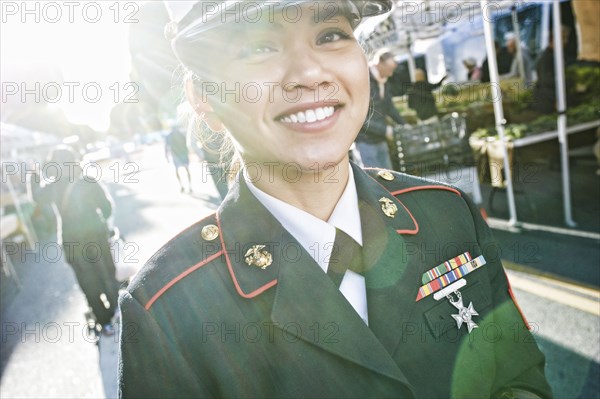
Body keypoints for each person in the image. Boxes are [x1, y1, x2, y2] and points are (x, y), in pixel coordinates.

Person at [118, 1, 552, 398]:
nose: (309, 73)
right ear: (202, 97)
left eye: (329, 36)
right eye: (257, 48)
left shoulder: (446, 213)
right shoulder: (168, 309)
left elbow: (519, 378)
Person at [28, 146, 120, 335]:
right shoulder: (88, 180)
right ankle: (117, 311)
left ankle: (104, 322)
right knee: (107, 274)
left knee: (88, 283)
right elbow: (107, 208)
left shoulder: (52, 186)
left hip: (71, 243)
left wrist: (33, 175)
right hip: (97, 237)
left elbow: (36, 198)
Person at [355, 51, 405, 169]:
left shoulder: (383, 82)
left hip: (380, 138)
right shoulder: (363, 80)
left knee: (388, 176)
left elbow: (388, 107)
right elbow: (358, 117)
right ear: (380, 63)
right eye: (389, 69)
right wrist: (384, 130)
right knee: (373, 179)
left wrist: (404, 123)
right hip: (365, 141)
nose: (391, 74)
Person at [532, 26, 570, 114]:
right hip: (548, 101)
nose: (566, 41)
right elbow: (546, 80)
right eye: (563, 38)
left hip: (552, 99)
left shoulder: (555, 55)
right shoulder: (546, 57)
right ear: (554, 39)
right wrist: (568, 82)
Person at [165, 125, 192, 192]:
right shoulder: (180, 134)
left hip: (177, 156)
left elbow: (166, 147)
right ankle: (187, 186)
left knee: (178, 170)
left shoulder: (169, 136)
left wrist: (167, 156)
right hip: (181, 155)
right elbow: (186, 144)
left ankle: (183, 186)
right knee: (186, 170)